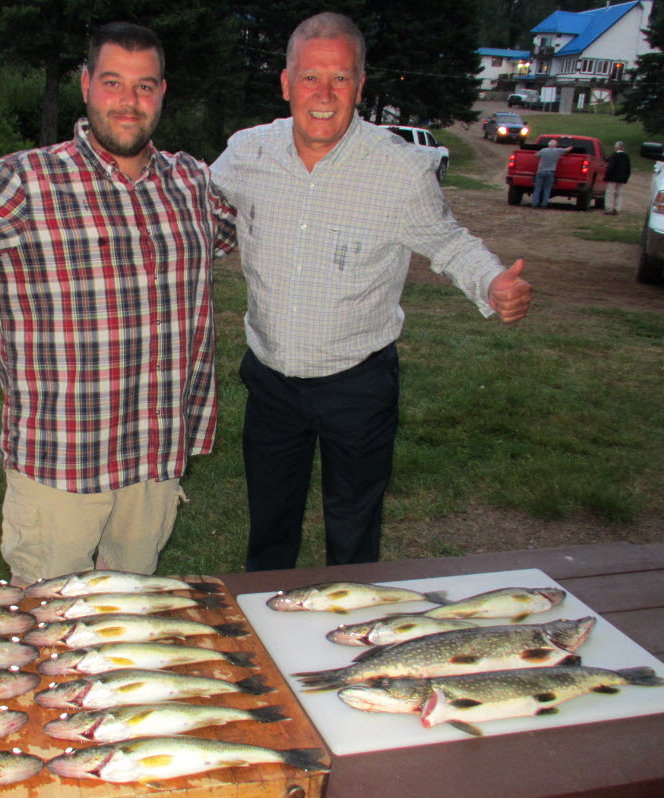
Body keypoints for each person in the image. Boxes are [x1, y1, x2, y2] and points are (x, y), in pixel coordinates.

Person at [0, 22, 237, 587]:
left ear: (163, 92)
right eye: (113, 83)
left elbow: (243, 231)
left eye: (145, 86)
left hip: (154, 455)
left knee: (129, 615)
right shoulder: (27, 181)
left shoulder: (191, 184)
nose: (129, 101)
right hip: (62, 462)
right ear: (85, 86)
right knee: (44, 626)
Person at [210, 12, 531, 572]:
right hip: (270, 382)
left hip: (357, 384)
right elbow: (189, 209)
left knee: (355, 534)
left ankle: (354, 641)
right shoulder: (246, 154)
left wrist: (495, 281)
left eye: (341, 78)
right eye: (311, 77)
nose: (325, 94)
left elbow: (449, 242)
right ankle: (267, 638)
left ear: (361, 85)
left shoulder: (400, 171)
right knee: (269, 529)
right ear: (286, 83)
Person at [532, 139, 573, 208]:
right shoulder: (558, 151)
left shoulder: (543, 150)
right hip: (550, 172)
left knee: (538, 188)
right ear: (555, 145)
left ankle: (534, 203)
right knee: (547, 189)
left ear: (548, 145)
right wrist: (572, 146)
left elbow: (536, 155)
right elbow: (567, 150)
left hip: (540, 171)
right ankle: (544, 204)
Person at [603, 141, 631, 215]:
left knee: (610, 193)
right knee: (619, 194)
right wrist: (626, 178)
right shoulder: (626, 156)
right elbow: (628, 169)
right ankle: (617, 209)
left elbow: (610, 166)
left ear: (617, 147)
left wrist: (606, 176)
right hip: (622, 178)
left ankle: (609, 209)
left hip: (613, 178)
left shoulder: (614, 155)